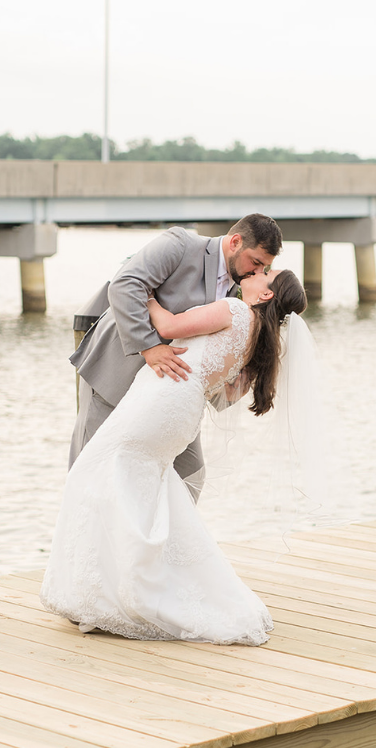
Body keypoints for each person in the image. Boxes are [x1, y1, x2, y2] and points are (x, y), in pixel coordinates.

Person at [40, 267, 310, 645]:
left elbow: (167, 326)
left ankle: (107, 591)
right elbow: (225, 389)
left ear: (266, 295)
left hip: (163, 401)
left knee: (92, 470)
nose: (256, 272)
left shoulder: (234, 311)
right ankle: (119, 585)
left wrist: (144, 293)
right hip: (180, 409)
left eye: (266, 273)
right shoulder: (257, 339)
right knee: (145, 486)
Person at [70, 213, 283, 499]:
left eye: (264, 268)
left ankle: (165, 542)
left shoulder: (241, 291)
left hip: (169, 393)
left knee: (190, 475)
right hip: (115, 376)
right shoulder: (180, 244)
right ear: (235, 242)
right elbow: (124, 284)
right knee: (92, 470)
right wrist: (149, 346)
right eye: (255, 262)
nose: (257, 272)